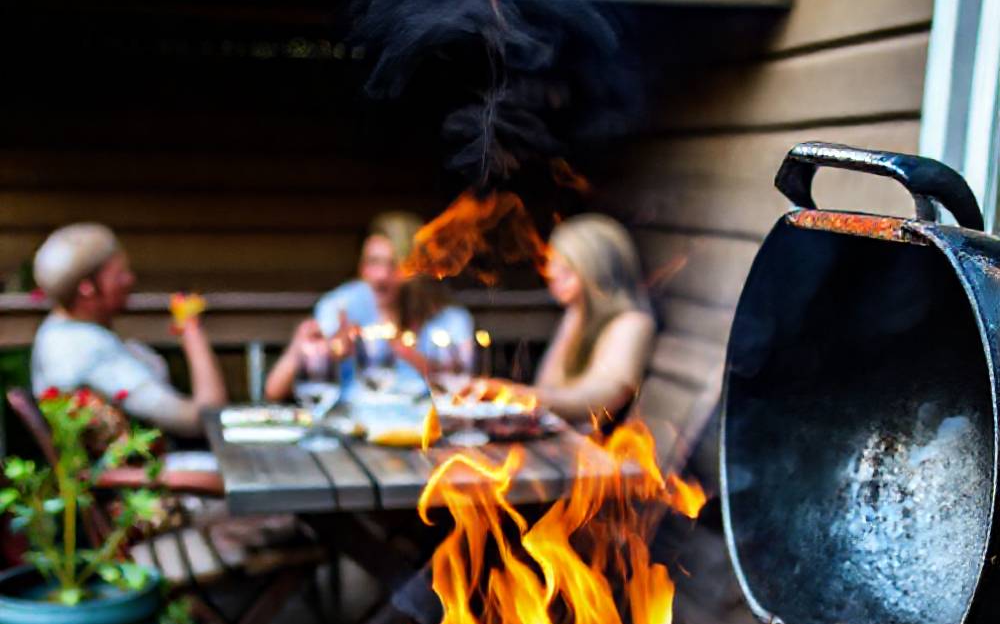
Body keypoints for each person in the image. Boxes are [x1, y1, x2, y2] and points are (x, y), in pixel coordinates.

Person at [31, 223, 226, 434]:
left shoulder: (56, 331)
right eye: (119, 275)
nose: (129, 280)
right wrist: (192, 331)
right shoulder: (85, 348)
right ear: (87, 289)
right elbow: (201, 418)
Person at [264, 211, 475, 401]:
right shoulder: (341, 306)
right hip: (351, 424)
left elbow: (463, 392)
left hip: (424, 427)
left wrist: (403, 350)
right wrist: (315, 350)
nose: (381, 276)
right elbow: (274, 391)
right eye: (373, 262)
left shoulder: (450, 318)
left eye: (394, 264)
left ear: (419, 268)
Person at [478, 214, 656, 428]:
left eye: (566, 269)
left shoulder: (631, 323)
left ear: (597, 273)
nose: (551, 274)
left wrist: (514, 394)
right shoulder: (576, 314)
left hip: (593, 445)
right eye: (552, 264)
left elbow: (600, 398)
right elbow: (547, 386)